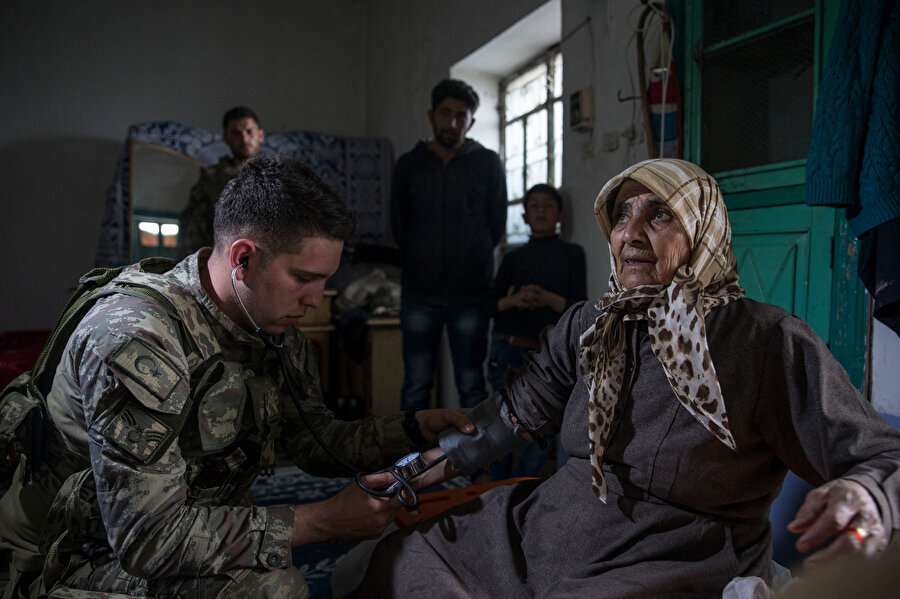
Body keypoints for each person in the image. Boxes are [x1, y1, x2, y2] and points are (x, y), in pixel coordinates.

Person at [361, 158, 900, 597]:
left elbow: (881, 455)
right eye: (622, 216)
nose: (632, 234)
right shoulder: (590, 325)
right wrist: (420, 468)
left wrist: (865, 492)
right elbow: (513, 414)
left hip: (672, 552)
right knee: (407, 557)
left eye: (660, 214)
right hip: (556, 523)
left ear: (702, 229)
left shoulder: (764, 340)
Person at [0, 153, 473, 599]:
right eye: (305, 277)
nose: (317, 298)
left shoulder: (272, 330)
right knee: (270, 589)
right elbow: (147, 538)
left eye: (325, 279)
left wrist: (412, 430)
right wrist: (327, 519)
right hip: (72, 554)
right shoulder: (139, 337)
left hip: (169, 528)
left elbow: (316, 440)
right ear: (243, 258)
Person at [391, 79, 507, 412]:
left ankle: (472, 463)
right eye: (446, 113)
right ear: (431, 116)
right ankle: (413, 463)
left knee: (472, 385)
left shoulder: (488, 163)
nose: (452, 122)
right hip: (418, 293)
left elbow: (496, 224)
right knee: (416, 385)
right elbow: (398, 226)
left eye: (461, 115)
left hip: (471, 294)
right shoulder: (408, 165)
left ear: (471, 121)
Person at [486, 183, 586, 480]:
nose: (540, 211)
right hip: (507, 348)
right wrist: (515, 300)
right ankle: (496, 488)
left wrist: (548, 299)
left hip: (548, 356)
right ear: (525, 215)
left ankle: (523, 487)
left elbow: (580, 307)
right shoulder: (513, 257)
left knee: (543, 426)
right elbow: (489, 305)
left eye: (548, 206)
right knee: (499, 423)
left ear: (560, 215)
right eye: (534, 206)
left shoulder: (572, 254)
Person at [179, 106, 266, 257]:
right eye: (236, 133)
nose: (244, 138)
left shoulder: (278, 174)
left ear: (260, 134)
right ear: (226, 138)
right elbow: (194, 224)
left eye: (249, 131)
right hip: (223, 257)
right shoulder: (212, 177)